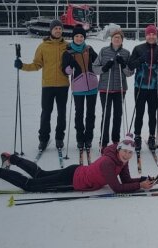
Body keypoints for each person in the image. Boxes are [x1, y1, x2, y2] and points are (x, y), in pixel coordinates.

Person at [0, 135, 158, 192]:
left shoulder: (120, 161)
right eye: (124, 151)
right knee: (30, 185)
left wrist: (142, 179)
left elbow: (125, 180)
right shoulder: (108, 163)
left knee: (40, 174)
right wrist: (139, 186)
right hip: (74, 180)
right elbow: (117, 188)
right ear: (118, 149)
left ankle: (11, 158)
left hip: (75, 171)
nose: (127, 155)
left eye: (130, 153)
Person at [15, 20, 69, 152]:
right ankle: (43, 139)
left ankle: (59, 138)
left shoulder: (68, 46)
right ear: (50, 30)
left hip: (63, 85)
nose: (58, 30)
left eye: (59, 28)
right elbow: (36, 65)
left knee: (61, 113)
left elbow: (75, 62)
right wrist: (22, 66)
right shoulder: (43, 46)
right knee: (46, 113)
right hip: (48, 85)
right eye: (55, 28)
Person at [127, 24, 158, 152]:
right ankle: (137, 136)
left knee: (153, 114)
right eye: (149, 34)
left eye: (153, 34)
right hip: (140, 86)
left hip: (154, 87)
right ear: (145, 35)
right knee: (139, 112)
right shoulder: (138, 48)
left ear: (156, 36)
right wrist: (141, 59)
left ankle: (152, 136)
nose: (151, 36)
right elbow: (130, 65)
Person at [61, 25, 99, 155]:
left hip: (93, 86)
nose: (79, 38)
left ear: (84, 37)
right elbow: (65, 69)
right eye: (77, 36)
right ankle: (79, 138)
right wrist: (70, 68)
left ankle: (88, 138)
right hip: (78, 87)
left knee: (90, 114)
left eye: (81, 36)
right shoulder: (68, 52)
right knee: (79, 114)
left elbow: (98, 62)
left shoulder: (89, 49)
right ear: (73, 37)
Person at [94, 28, 133, 150]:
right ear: (111, 39)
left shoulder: (126, 53)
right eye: (115, 37)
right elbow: (94, 67)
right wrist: (104, 68)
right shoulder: (104, 51)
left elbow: (130, 72)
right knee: (106, 115)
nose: (117, 39)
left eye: (119, 37)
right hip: (105, 88)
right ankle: (104, 141)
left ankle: (115, 140)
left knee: (118, 115)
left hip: (119, 89)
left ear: (122, 40)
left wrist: (123, 65)